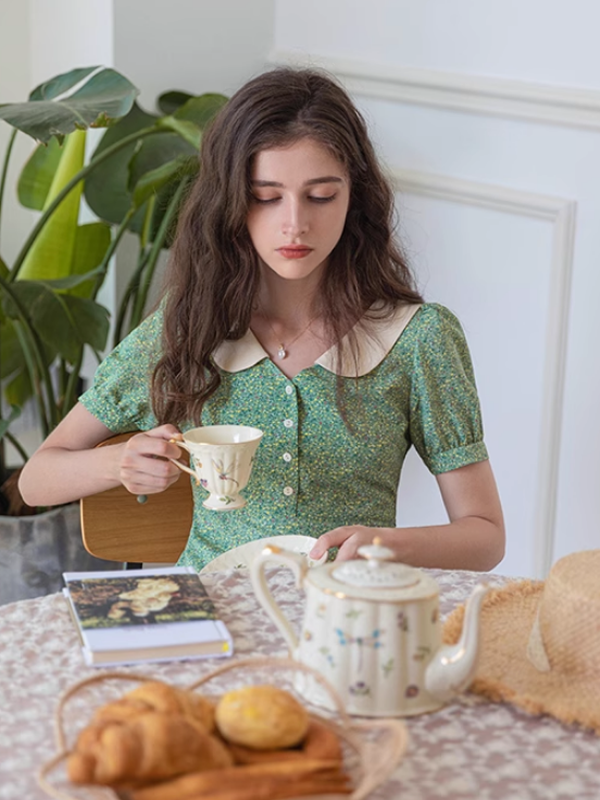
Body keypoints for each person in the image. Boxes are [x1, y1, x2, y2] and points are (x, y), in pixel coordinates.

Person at [19, 67, 505, 573]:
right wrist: (117, 464)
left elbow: (485, 536)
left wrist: (385, 544)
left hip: (345, 618)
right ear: (230, 201)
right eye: (265, 196)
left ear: (355, 197)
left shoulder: (418, 339)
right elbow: (36, 479)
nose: (294, 223)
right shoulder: (185, 330)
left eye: (321, 195)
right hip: (213, 617)